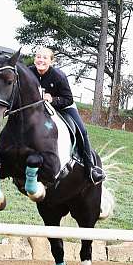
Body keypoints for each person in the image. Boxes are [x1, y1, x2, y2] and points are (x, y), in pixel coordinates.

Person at [29, 47, 106, 184]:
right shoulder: (29, 73)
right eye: (38, 57)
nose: (41, 60)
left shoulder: (59, 76)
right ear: (35, 59)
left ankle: (91, 168)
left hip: (64, 107)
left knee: (82, 130)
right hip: (39, 109)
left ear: (51, 61)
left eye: (45, 58)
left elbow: (68, 99)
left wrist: (53, 99)